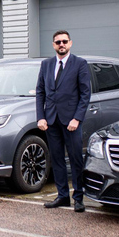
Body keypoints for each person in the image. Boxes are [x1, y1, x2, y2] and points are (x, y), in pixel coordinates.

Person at [36, 30, 91, 212]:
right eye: (58, 42)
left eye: (64, 41)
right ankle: (62, 196)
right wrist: (41, 117)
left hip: (71, 121)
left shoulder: (80, 64)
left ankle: (78, 198)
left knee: (75, 159)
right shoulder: (46, 64)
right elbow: (40, 92)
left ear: (70, 43)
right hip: (51, 120)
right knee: (57, 159)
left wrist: (77, 118)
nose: (61, 44)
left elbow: (85, 94)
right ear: (53, 45)